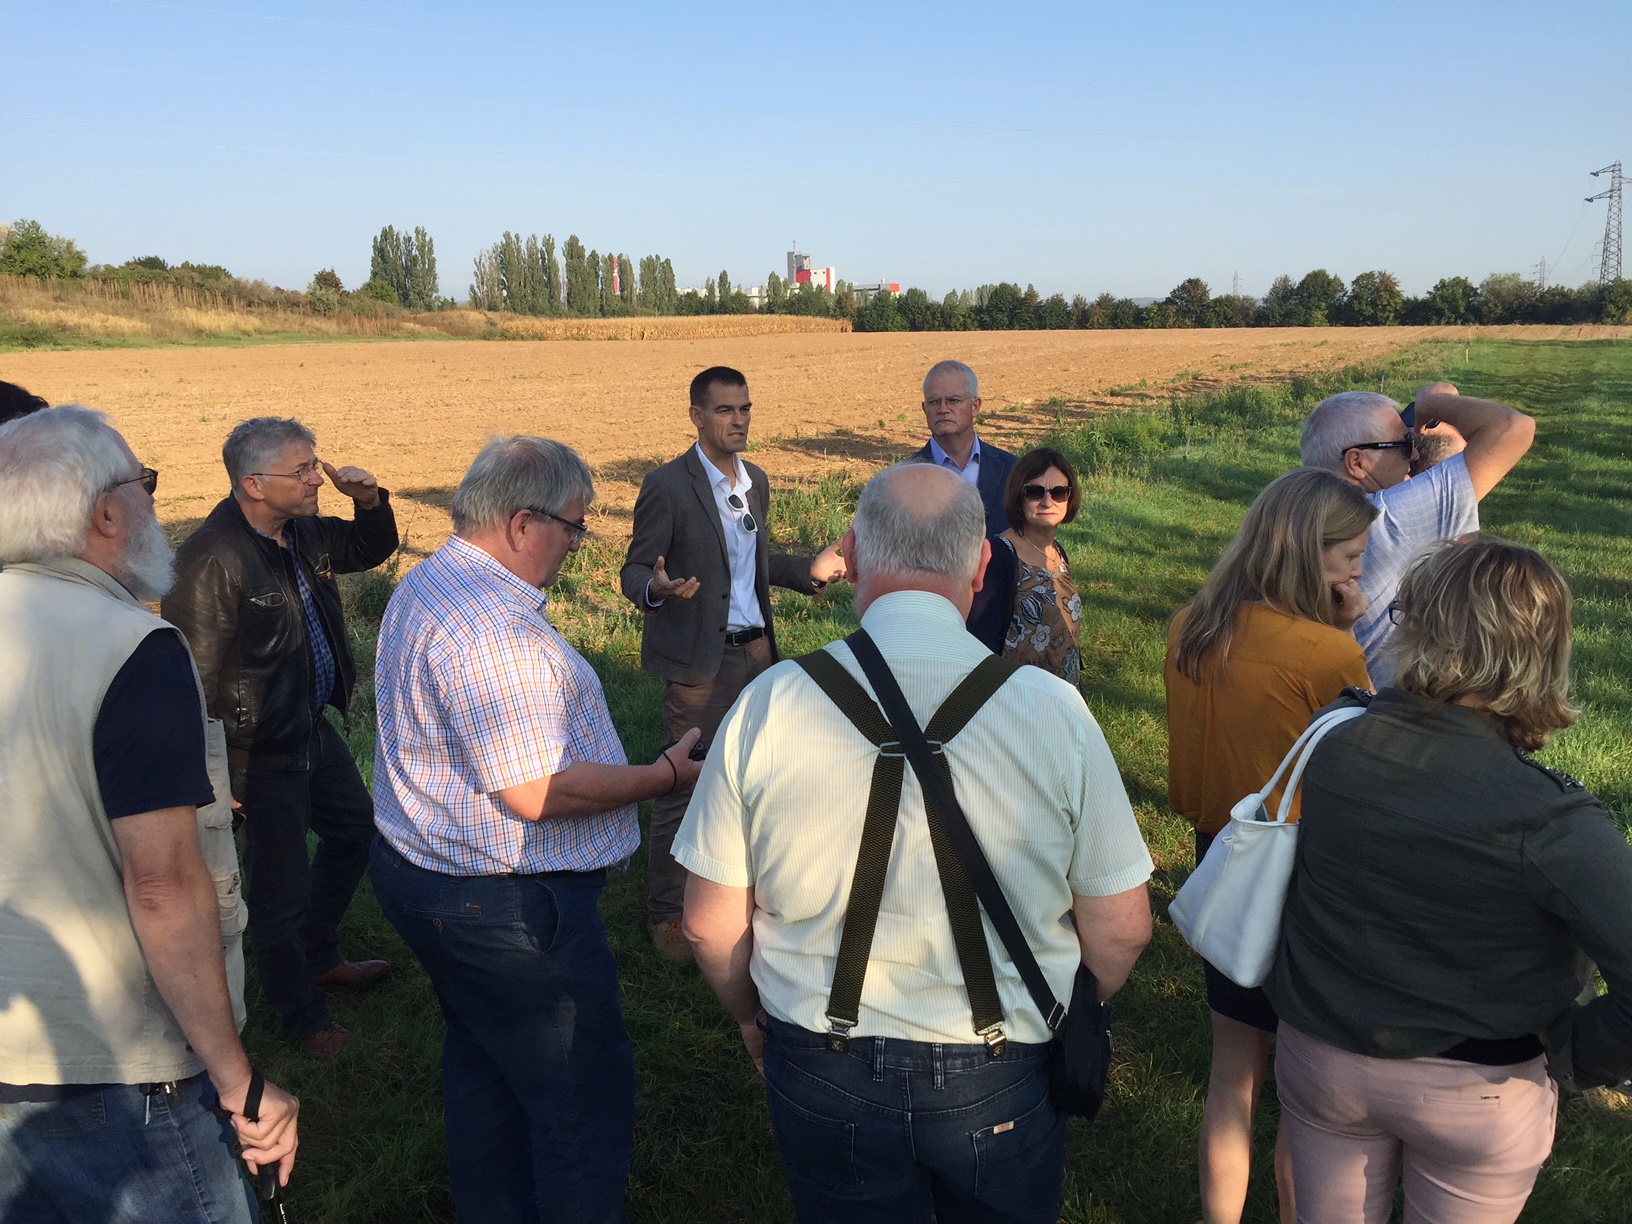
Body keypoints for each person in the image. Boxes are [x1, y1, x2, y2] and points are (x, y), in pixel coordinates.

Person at [678, 462, 1155, 1224]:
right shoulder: (1053, 711)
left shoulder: (770, 701)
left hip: (820, 1055)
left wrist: (748, 1017)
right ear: (984, 564)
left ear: (855, 556)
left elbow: (706, 922)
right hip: (1000, 1064)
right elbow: (1124, 928)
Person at [371, 435, 705, 1224]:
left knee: (486, 1066)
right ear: (523, 524)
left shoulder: (431, 582)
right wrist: (663, 777)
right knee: (577, 1095)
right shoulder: (495, 631)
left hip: (427, 879)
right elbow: (536, 789)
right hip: (507, 910)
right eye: (574, 527)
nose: (579, 545)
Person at [1266, 537, 1632, 1224]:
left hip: (1322, 1057)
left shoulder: (1334, 741)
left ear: (1424, 630)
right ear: (1540, 651)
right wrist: (1584, 1053)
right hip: (1480, 1088)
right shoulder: (1549, 815)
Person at [0, 406, 298, 1221]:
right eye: (147, 484)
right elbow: (163, 887)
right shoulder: (130, 645)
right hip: (106, 1071)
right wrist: (240, 1084)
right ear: (104, 512)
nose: (155, 505)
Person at [1164, 467, 1379, 1224]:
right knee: (1303, 1089)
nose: (1361, 568)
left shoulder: (1190, 625)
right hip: (1301, 873)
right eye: (1349, 553)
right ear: (1303, 551)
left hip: (1220, 855)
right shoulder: (1327, 653)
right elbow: (1364, 761)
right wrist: (1347, 638)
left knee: (1233, 1071)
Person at [162, 416, 399, 1058]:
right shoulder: (212, 560)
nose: (317, 476)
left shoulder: (302, 533)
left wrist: (371, 502)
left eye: (313, 463)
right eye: (301, 470)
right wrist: (215, 774)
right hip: (254, 752)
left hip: (309, 728)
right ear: (253, 484)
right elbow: (194, 678)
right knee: (277, 895)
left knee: (355, 833)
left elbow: (370, 550)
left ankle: (319, 956)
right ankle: (303, 1018)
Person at [620, 366, 846, 961]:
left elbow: (752, 561)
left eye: (745, 408)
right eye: (725, 410)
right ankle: (669, 915)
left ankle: (754, 891)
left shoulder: (756, 482)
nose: (739, 420)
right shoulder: (668, 486)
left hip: (759, 653)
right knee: (686, 781)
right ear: (697, 416)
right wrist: (658, 589)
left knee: (765, 774)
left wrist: (807, 570)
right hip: (701, 660)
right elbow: (635, 570)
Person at [1299, 381, 1534, 682]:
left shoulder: (1298, 520)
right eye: (1403, 445)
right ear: (1357, 462)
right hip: (1394, 713)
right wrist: (1433, 404)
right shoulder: (1387, 518)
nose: (1413, 456)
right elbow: (1513, 428)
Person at [966, 447, 1085, 684]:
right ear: (1018, 496)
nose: (1047, 501)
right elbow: (980, 641)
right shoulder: (999, 555)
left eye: (1059, 492)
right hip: (1019, 699)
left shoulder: (1058, 552)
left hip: (1062, 694)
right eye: (1034, 492)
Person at [911, 359, 1018, 535]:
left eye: (953, 400)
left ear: (975, 406)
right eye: (934, 402)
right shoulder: (905, 479)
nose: (943, 409)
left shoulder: (1013, 470)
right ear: (924, 409)